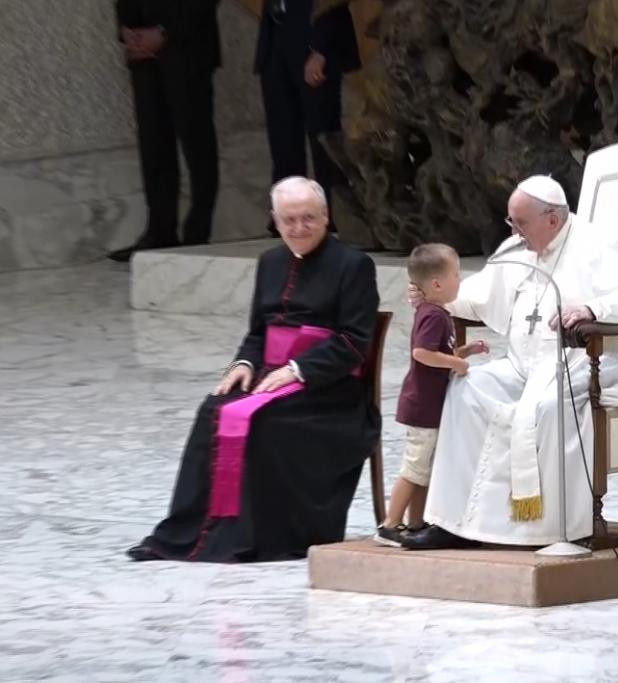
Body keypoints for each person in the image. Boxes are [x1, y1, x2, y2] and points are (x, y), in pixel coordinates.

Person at [127, 176, 381, 562]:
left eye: (308, 218)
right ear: (275, 221)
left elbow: (353, 342)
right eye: (289, 220)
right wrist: (243, 363)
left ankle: (257, 537)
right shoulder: (270, 262)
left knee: (264, 421)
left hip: (330, 392)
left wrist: (298, 369)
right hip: (271, 378)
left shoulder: (353, 264)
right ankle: (191, 533)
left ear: (326, 217)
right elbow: (260, 330)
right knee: (213, 409)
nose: (299, 228)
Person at [400, 175, 618, 550]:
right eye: (511, 222)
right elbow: (474, 294)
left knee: (549, 407)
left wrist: (591, 308)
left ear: (551, 219)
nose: (514, 231)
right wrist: (432, 297)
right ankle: (455, 523)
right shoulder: (518, 249)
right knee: (465, 390)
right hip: (524, 365)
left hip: (584, 361)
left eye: (520, 222)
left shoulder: (597, 247)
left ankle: (555, 529)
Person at [373, 244, 489, 547]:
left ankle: (415, 521)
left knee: (424, 468)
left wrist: (465, 351)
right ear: (436, 284)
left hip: (429, 406)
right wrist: (456, 363)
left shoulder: (437, 312)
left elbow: (440, 353)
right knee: (414, 468)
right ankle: (389, 524)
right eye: (455, 275)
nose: (459, 280)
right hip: (422, 406)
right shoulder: (434, 315)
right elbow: (422, 353)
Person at [108, 0, 221, 262]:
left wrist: (165, 32)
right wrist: (127, 31)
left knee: (197, 143)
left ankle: (197, 232)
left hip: (188, 48)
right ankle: (160, 230)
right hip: (143, 56)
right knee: (153, 143)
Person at [254, 0, 360, 233]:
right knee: (283, 140)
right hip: (276, 43)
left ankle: (331, 213)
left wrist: (320, 50)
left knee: (323, 137)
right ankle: (289, 214)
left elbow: (332, 5)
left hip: (313, 44)